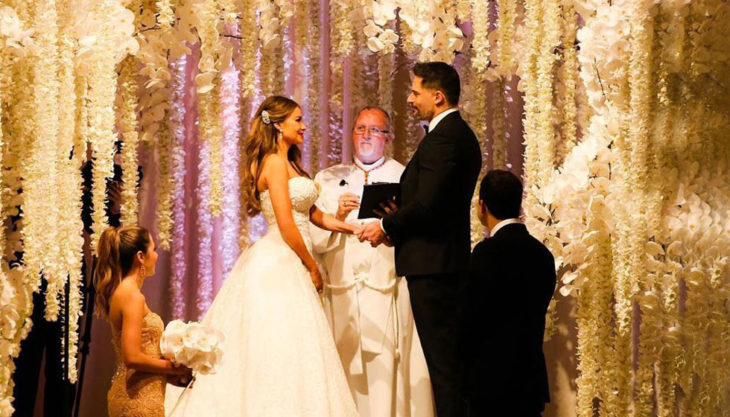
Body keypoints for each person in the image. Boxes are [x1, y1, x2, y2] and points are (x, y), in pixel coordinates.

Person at [167, 96, 359, 416]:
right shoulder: (272, 161)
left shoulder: (292, 162)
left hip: (293, 256)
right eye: (297, 120)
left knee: (296, 344)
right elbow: (285, 223)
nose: (304, 126)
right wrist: (312, 267)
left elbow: (314, 214)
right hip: (280, 259)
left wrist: (354, 229)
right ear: (279, 124)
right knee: (277, 338)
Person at [359, 62, 482, 417]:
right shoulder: (450, 136)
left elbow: (428, 205)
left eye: (415, 92)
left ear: (438, 96)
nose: (410, 99)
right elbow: (432, 201)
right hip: (437, 263)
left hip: (435, 269)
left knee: (445, 370)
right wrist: (397, 216)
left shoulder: (445, 139)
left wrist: (385, 227)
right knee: (445, 367)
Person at [311, 106, 434, 417]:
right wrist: (337, 216)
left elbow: (417, 234)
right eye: (360, 128)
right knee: (342, 369)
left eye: (374, 130)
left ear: (387, 137)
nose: (366, 135)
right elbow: (316, 240)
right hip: (342, 290)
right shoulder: (328, 179)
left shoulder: (403, 176)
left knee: (383, 372)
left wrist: (394, 224)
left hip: (385, 287)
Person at [465, 170, 556, 417]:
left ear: (481, 206)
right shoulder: (542, 255)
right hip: (530, 383)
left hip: (491, 384)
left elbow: (471, 318)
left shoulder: (487, 254)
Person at [95, 225, 192, 417]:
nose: (156, 255)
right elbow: (132, 357)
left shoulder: (124, 291)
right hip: (137, 400)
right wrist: (173, 368)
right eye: (153, 250)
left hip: (140, 392)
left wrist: (171, 375)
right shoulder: (131, 296)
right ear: (140, 256)